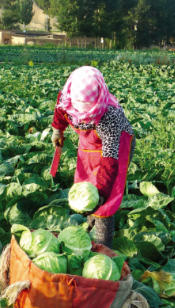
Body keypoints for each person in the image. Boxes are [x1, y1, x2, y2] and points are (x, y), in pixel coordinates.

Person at [51, 66, 135, 248]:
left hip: (114, 149)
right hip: (88, 146)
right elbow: (60, 111)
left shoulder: (111, 115)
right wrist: (57, 130)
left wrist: (102, 194)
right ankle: (92, 222)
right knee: (86, 188)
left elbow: (110, 160)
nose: (81, 118)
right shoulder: (67, 95)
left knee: (105, 203)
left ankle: (104, 246)